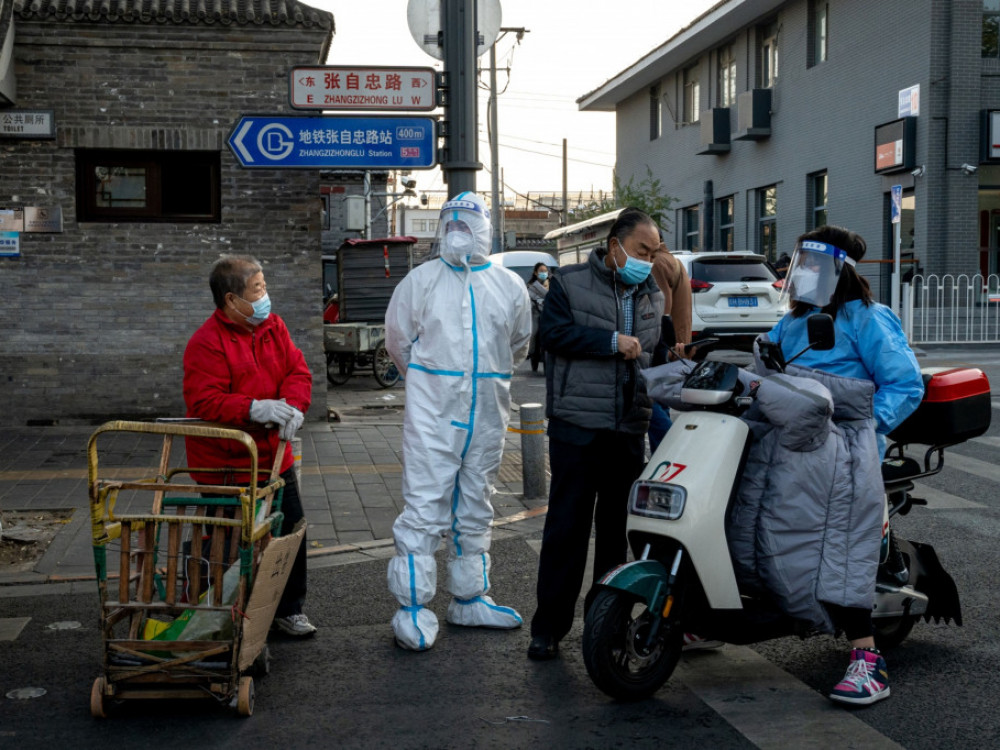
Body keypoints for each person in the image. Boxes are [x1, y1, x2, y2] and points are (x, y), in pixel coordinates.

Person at [764, 225, 923, 705]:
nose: (804, 274)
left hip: (846, 449)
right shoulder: (794, 320)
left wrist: (865, 429)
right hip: (793, 443)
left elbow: (905, 385)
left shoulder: (868, 319)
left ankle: (867, 662)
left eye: (813, 265)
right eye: (800, 264)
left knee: (841, 545)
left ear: (837, 271)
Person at [384, 191, 533, 651]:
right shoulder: (421, 281)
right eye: (450, 224)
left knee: (475, 502)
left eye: (466, 225)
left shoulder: (509, 286)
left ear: (484, 230)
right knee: (425, 504)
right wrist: (430, 387)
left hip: (488, 411)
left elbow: (519, 344)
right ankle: (411, 606)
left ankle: (470, 596)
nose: (456, 233)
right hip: (434, 413)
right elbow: (398, 342)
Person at [528, 207, 664, 660]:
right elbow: (552, 336)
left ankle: (604, 625)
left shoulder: (651, 294)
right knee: (566, 530)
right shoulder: (567, 283)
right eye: (643, 250)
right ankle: (548, 627)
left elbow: (654, 353)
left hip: (627, 429)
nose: (649, 259)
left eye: (655, 251)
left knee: (614, 534)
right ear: (615, 246)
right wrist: (610, 343)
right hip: (577, 428)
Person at [182, 254, 316, 636]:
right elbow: (203, 401)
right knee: (225, 542)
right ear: (231, 300)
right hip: (226, 464)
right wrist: (253, 407)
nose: (265, 296)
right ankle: (218, 615)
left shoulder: (274, 326)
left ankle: (289, 609)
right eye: (257, 289)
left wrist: (293, 406)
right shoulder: (206, 342)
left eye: (264, 286)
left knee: (291, 529)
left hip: (275, 456)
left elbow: (298, 371)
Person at [647, 240, 692, 453]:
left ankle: (672, 451)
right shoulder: (673, 260)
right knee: (660, 398)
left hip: (665, 340)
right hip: (679, 339)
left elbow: (661, 307)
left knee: (650, 401)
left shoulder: (656, 263)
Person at [526, 262, 550, 373]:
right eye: (541, 271)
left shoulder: (552, 284)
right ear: (535, 273)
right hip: (535, 313)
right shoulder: (530, 286)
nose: (543, 273)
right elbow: (527, 299)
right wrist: (534, 302)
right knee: (533, 332)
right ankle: (530, 352)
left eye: (545, 271)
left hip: (548, 314)